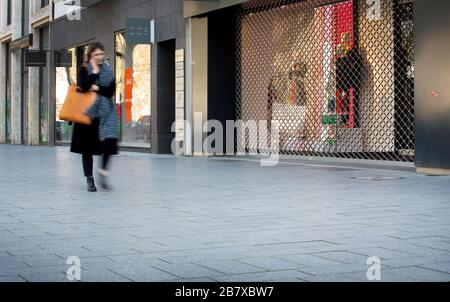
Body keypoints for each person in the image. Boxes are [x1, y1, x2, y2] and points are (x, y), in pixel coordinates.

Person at [70, 42, 118, 192]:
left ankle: (102, 173)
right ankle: (89, 179)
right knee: (87, 150)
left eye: (101, 54)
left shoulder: (109, 72)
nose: (100, 57)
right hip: (88, 115)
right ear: (91, 56)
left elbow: (110, 91)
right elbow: (83, 87)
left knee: (108, 145)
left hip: (105, 114)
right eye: (96, 54)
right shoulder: (84, 69)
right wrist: (95, 72)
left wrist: (96, 87)